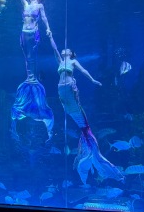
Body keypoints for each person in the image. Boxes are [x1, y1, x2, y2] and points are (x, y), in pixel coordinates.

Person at [49, 36, 124, 185]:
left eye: (67, 49)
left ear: (71, 53)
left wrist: (92, 80)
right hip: (61, 91)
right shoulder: (60, 61)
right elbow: (54, 48)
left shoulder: (73, 62)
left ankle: (96, 157)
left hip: (69, 88)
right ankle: (87, 144)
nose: (64, 50)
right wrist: (50, 35)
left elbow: (83, 70)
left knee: (80, 120)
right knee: (72, 114)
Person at [8, 0, 54, 142]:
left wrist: (48, 29)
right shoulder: (26, 5)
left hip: (33, 32)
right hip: (23, 32)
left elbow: (45, 18)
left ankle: (32, 79)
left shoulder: (39, 6)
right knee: (26, 58)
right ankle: (30, 78)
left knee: (31, 58)